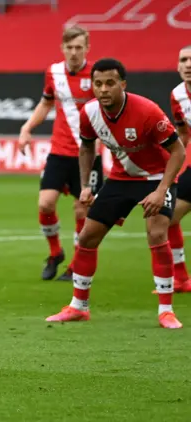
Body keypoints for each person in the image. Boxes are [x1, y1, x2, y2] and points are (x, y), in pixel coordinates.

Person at [45, 58, 186, 329]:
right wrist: (86, 185)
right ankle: (78, 307)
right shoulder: (89, 113)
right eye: (98, 84)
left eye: (110, 83)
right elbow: (86, 147)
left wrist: (161, 190)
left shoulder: (147, 111)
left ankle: (166, 311)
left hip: (156, 177)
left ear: (122, 84)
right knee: (87, 236)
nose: (103, 89)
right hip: (121, 179)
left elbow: (177, 150)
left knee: (157, 233)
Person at [18, 26, 104, 282]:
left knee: (82, 211)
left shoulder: (98, 74)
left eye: (79, 47)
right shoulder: (54, 72)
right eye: (69, 47)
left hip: (89, 155)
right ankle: (55, 252)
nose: (74, 52)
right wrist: (27, 128)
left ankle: (76, 265)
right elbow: (46, 103)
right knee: (45, 203)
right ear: (62, 48)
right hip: (59, 151)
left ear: (87, 48)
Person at [165, 45, 191, 292]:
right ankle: (181, 278)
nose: (188, 64)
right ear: (177, 66)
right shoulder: (177, 95)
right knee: (169, 218)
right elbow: (183, 132)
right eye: (184, 59)